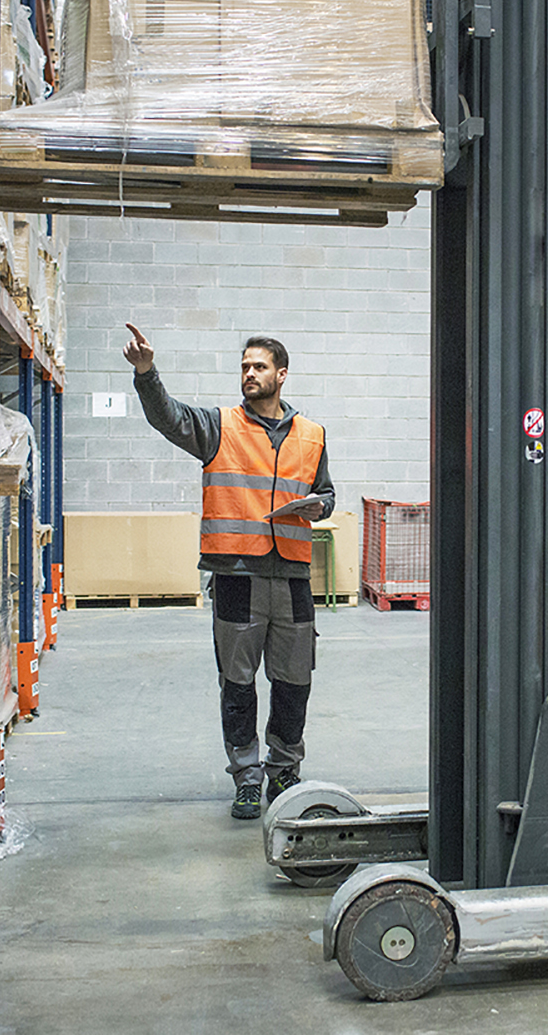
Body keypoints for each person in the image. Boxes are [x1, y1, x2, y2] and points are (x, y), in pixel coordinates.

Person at [124, 324, 335, 820]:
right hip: (236, 575)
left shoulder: (312, 434)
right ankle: (246, 776)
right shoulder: (220, 426)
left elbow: (326, 493)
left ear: (281, 375)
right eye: (244, 367)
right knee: (238, 683)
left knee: (294, 681)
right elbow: (167, 417)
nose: (249, 374)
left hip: (293, 575)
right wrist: (146, 372)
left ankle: (283, 769)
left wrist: (319, 506)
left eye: (259, 367)